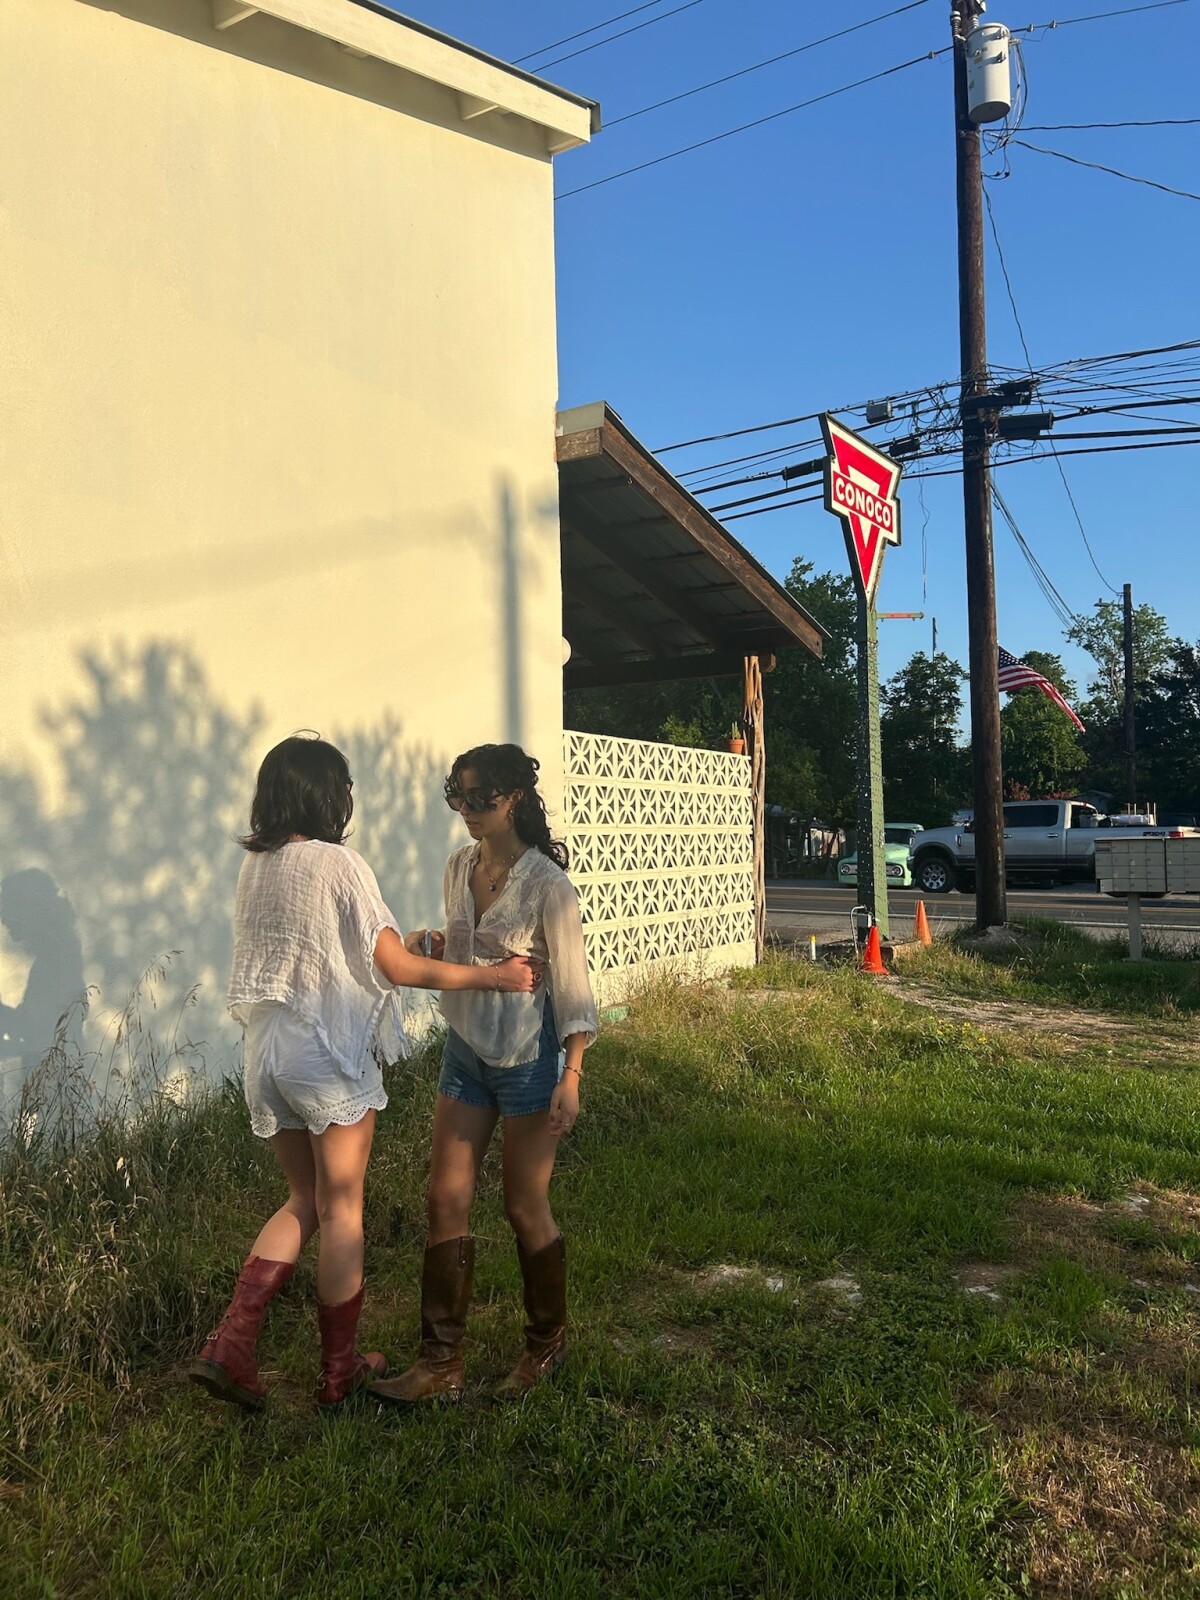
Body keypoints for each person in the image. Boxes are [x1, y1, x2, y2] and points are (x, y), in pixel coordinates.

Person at [187, 734, 541, 1414]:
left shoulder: (256, 866)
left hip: (267, 1053)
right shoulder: (338, 864)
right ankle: (339, 1370)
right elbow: (395, 969)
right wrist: (495, 977)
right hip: (325, 1053)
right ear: (327, 796)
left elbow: (330, 952)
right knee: (342, 1207)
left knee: (304, 1200)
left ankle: (230, 1344)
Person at [372, 742, 597, 1407]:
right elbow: (465, 949)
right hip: (465, 1051)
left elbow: (574, 990)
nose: (467, 811)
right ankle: (440, 1362)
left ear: (514, 800)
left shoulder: (549, 886)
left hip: (528, 1059)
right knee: (444, 1198)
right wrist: (432, 944)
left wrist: (572, 1074)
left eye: (481, 798)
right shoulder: (458, 866)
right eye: (458, 797)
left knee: (523, 1205)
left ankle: (546, 1343)